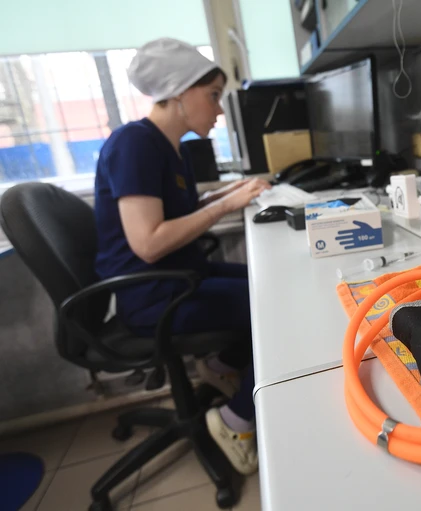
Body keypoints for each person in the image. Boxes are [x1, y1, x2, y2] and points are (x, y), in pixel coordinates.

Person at [93, 38, 265, 475]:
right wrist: (225, 206)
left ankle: (223, 364)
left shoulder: (172, 148)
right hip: (153, 296)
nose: (219, 110)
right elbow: (148, 242)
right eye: (213, 96)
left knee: (269, 281)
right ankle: (235, 420)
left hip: (181, 275)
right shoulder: (134, 144)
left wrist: (229, 193)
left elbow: (178, 211)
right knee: (274, 304)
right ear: (179, 91)